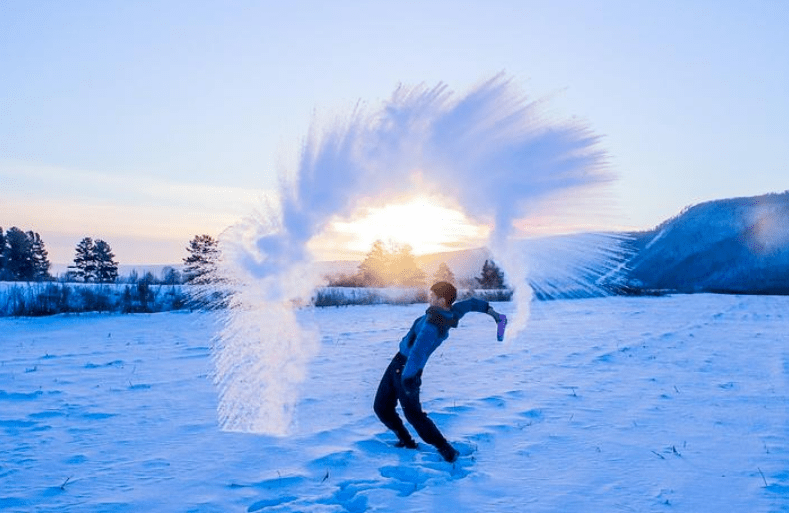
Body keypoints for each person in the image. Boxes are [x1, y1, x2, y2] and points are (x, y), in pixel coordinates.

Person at [373, 281, 507, 462]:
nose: (429, 298)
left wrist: (407, 379)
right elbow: (471, 304)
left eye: (432, 296)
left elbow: (418, 353)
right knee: (382, 407)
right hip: (398, 364)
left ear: (442, 300)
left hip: (407, 369)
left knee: (413, 415)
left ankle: (446, 449)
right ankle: (406, 441)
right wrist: (494, 314)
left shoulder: (433, 324)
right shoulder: (450, 312)